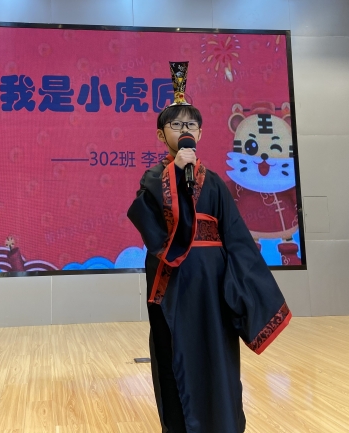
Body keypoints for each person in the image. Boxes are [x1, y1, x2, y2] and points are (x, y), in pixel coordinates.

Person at [127, 62, 291, 433]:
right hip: (174, 284)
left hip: (214, 286)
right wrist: (175, 173)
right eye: (176, 125)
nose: (185, 130)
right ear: (161, 135)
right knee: (175, 357)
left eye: (191, 125)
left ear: (200, 132)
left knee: (218, 356)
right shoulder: (153, 178)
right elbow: (152, 229)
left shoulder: (215, 183)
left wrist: (250, 292)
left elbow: (236, 238)